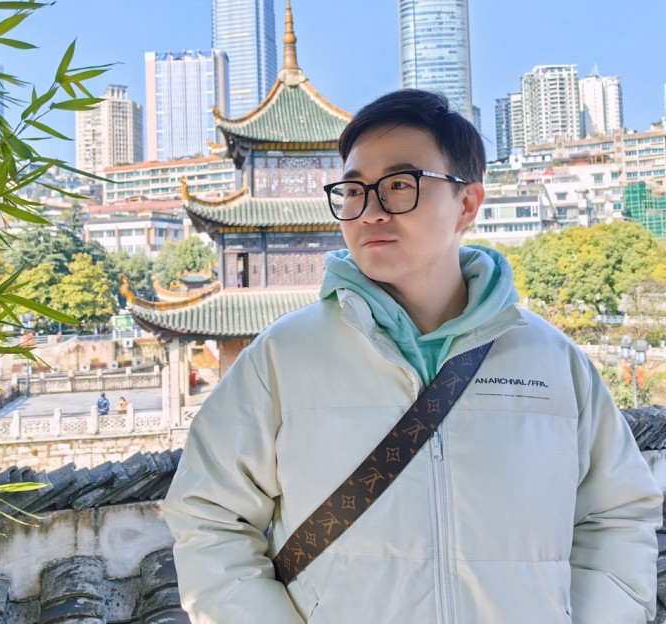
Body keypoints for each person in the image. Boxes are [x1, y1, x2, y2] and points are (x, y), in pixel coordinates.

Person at [163, 90, 662, 624]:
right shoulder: (281, 358)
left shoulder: (553, 361)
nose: (370, 211)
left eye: (400, 185)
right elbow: (207, 515)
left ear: (467, 204)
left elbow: (616, 516)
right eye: (353, 190)